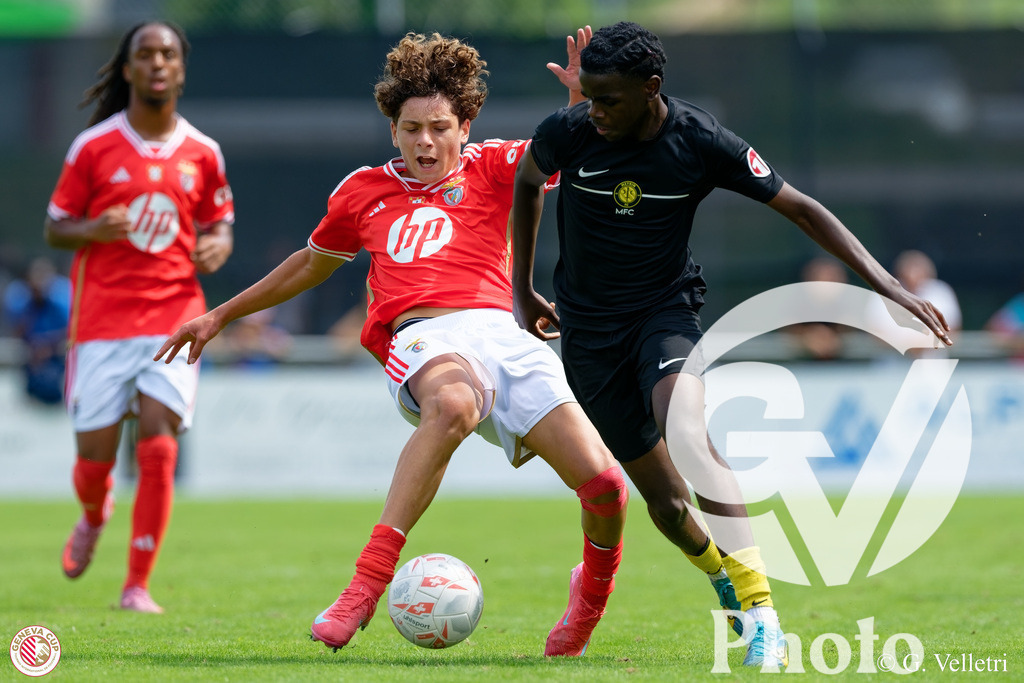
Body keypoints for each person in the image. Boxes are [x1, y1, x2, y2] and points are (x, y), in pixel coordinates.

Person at [155, 30, 628, 657]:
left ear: (466, 125)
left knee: (607, 490)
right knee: (455, 405)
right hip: (424, 337)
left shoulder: (497, 166)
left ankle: (588, 599)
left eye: (438, 127)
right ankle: (364, 585)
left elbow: (597, 147)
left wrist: (583, 104)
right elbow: (309, 264)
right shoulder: (361, 191)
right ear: (393, 130)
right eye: (410, 129)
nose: (424, 142)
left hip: (506, 336)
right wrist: (218, 316)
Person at [511, 21, 952, 668]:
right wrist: (521, 288)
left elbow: (803, 209)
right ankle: (722, 577)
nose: (594, 111)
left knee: (687, 427)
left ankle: (762, 613)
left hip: (664, 313)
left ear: (651, 88)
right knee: (665, 504)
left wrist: (888, 285)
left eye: (608, 99)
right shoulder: (570, 131)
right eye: (590, 97)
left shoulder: (700, 140)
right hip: (588, 334)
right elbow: (526, 183)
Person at [44, 21, 235, 613]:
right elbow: (55, 227)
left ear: (181, 68)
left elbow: (219, 220)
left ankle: (136, 585)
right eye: (145, 54)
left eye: (168, 54)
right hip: (102, 323)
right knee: (93, 463)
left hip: (173, 313)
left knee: (159, 441)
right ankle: (94, 512)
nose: (157, 63)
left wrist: (219, 244)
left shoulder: (203, 151)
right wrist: (91, 229)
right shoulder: (94, 147)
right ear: (127, 69)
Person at [2, 256, 72, 404]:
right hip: (31, 349)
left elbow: (68, 329)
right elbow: (17, 330)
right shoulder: (19, 297)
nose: (40, 282)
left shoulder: (62, 297)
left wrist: (47, 345)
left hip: (56, 352)